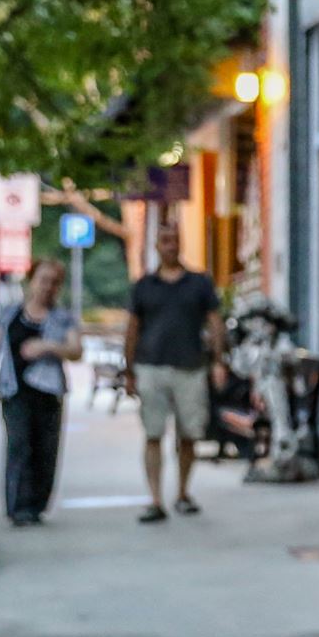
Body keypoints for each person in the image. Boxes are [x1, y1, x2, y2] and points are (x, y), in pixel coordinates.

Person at [122, 221, 225, 524]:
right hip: (151, 366)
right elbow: (132, 329)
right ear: (157, 245)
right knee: (153, 433)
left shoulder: (199, 283)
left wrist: (219, 360)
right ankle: (155, 498)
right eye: (165, 240)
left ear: (180, 244)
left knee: (189, 434)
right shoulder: (144, 286)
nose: (170, 245)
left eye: (174, 240)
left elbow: (214, 322)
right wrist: (128, 370)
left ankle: (182, 492)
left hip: (190, 367)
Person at [0, 256, 82, 526]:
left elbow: (75, 350)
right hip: (15, 391)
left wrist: (47, 347)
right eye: (43, 280)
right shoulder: (10, 315)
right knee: (19, 445)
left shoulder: (62, 319)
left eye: (54, 283)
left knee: (45, 450)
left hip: (49, 392)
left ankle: (37, 505)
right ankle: (18, 506)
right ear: (32, 281)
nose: (48, 287)